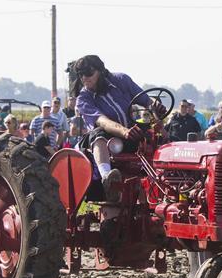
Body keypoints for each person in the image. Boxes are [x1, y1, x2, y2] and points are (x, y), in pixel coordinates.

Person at [71, 54, 165, 200]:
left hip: (129, 134)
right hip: (108, 140)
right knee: (98, 134)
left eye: (88, 73)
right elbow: (103, 121)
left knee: (157, 137)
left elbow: (146, 99)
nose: (84, 78)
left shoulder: (121, 80)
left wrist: (155, 106)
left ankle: (166, 180)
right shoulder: (83, 99)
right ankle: (107, 177)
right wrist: (124, 132)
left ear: (100, 70)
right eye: (81, 74)